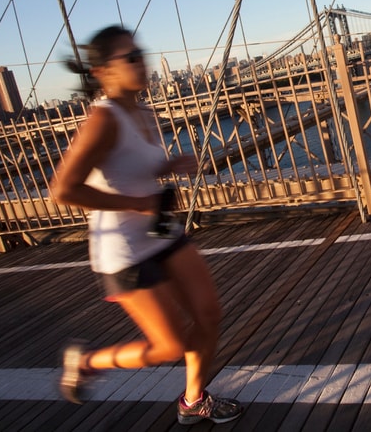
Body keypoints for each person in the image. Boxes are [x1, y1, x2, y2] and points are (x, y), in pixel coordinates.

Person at [51, 25, 242, 425]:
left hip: (159, 229)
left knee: (208, 314)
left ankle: (193, 401)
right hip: (123, 249)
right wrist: (136, 203)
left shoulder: (142, 109)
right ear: (103, 71)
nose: (142, 62)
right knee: (169, 346)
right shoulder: (103, 119)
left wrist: (168, 165)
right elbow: (63, 189)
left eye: (141, 53)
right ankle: (86, 362)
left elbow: (133, 168)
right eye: (130, 57)